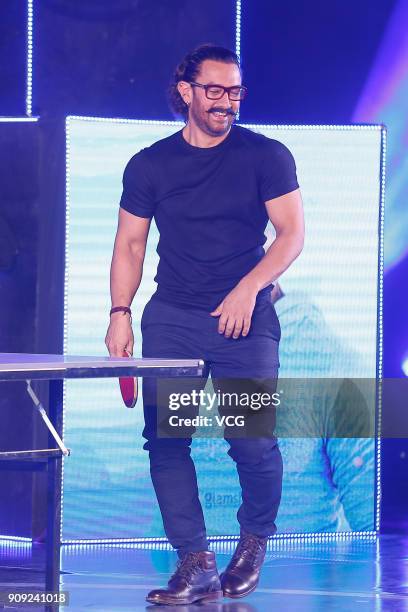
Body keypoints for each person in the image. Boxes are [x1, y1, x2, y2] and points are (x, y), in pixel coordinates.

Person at [105, 43, 304, 605]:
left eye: (234, 91)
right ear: (186, 91)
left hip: (245, 321)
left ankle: (253, 543)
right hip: (173, 321)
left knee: (252, 441)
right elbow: (130, 243)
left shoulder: (266, 155)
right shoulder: (150, 164)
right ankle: (194, 561)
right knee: (167, 441)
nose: (226, 102)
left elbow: (290, 234)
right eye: (214, 90)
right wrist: (119, 314)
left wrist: (248, 288)